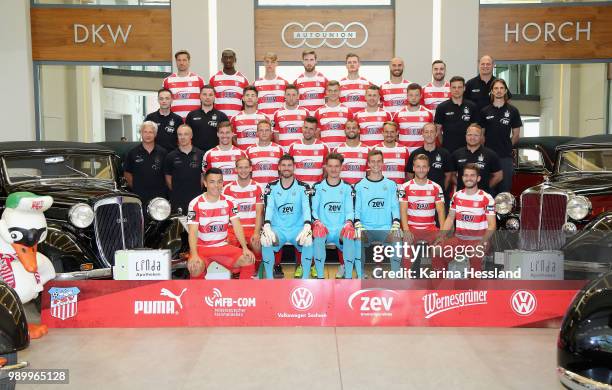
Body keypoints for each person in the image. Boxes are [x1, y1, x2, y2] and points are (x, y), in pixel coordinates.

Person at [186, 168, 256, 279]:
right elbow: (193, 231)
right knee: (195, 267)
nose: (216, 185)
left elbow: (237, 225)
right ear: (205, 183)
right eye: (212, 182)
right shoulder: (195, 203)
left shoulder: (230, 201)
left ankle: (243, 294)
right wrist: (194, 254)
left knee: (248, 259)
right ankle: (199, 296)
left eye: (219, 182)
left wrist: (245, 248)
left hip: (222, 246)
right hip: (202, 248)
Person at [260, 155, 314, 279]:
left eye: (289, 165)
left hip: (298, 228)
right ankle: (269, 278)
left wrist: (307, 225)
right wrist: (267, 225)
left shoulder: (304, 187)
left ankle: (305, 278)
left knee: (308, 240)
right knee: (266, 239)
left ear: (294, 167)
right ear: (279, 167)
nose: (286, 168)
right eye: (283, 165)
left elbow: (306, 207)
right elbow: (269, 207)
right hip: (279, 228)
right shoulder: (271, 187)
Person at [437, 163, 496, 273]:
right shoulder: (457, 196)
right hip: (459, 239)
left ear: (478, 178)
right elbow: (450, 218)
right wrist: (442, 236)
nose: (469, 178)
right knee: (437, 250)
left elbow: (492, 225)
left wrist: (482, 242)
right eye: (466, 175)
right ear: (462, 177)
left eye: (472, 175)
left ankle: (472, 289)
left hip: (478, 240)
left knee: (474, 254)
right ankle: (440, 286)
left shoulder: (486, 198)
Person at [354, 150, 402, 276]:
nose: (376, 164)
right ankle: (361, 275)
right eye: (373, 161)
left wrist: (396, 224)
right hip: (366, 227)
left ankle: (395, 275)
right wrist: (359, 226)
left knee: (397, 237)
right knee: (357, 237)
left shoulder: (391, 184)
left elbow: (395, 207)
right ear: (368, 164)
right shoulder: (359, 185)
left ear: (383, 163)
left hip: (385, 228)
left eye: (378, 161)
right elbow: (356, 210)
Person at [311, 153, 356, 279]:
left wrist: (348, 223)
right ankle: (320, 276)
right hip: (324, 228)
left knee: (349, 233)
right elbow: (313, 210)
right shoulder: (318, 187)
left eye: (336, 166)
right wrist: (318, 222)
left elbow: (349, 210)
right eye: (330, 166)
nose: (333, 169)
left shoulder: (347, 187)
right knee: (318, 233)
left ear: (341, 167)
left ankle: (348, 275)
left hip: (340, 229)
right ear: (326, 167)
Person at [222, 156, 264, 278]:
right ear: (236, 169)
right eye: (240, 167)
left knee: (256, 242)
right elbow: (225, 214)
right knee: (227, 243)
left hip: (251, 227)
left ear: (251, 169)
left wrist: (256, 232)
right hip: (233, 228)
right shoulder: (227, 188)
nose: (243, 170)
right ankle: (234, 271)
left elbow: (259, 213)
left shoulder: (258, 187)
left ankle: (255, 271)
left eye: (246, 167)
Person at [478, 78, 522, 194]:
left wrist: (507, 146)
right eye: (496, 88)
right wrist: (486, 151)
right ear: (492, 91)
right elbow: (481, 136)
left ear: (505, 91)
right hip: (488, 157)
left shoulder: (513, 111)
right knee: (488, 190)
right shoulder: (484, 111)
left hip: (505, 157)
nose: (499, 91)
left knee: (504, 191)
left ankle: (503, 213)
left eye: (501, 88)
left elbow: (516, 135)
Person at [399, 154, 446, 247]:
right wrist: (406, 230)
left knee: (441, 249)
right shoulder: (405, 187)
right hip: (411, 228)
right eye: (418, 167)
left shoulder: (436, 187)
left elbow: (441, 211)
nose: (421, 170)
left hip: (431, 229)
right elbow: (403, 210)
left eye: (424, 167)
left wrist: (442, 233)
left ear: (428, 168)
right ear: (413, 168)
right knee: (406, 257)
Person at [124, 121, 168, 209]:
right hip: (139, 197)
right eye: (145, 132)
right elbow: (127, 173)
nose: (148, 135)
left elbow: (167, 174)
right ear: (141, 133)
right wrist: (136, 187)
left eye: (151, 132)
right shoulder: (132, 153)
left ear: (155, 134)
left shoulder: (163, 153)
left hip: (159, 197)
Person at [164, 124, 205, 214]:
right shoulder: (170, 156)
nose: (182, 137)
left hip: (196, 199)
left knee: (196, 226)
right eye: (180, 134)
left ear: (191, 136)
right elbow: (168, 178)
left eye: (186, 134)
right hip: (177, 201)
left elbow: (203, 176)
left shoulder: (201, 154)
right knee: (180, 227)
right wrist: (178, 191)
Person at [451, 123, 502, 195]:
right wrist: (463, 185)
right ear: (465, 136)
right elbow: (451, 175)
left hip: (483, 197)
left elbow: (499, 176)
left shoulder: (491, 154)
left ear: (481, 137)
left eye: (476, 135)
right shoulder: (456, 154)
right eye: (469, 135)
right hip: (462, 196)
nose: (472, 137)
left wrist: (485, 188)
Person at [406, 122, 453, 198]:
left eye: (432, 132)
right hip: (418, 196)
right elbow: (410, 175)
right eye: (426, 132)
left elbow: (448, 176)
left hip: (438, 196)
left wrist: (441, 192)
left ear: (436, 134)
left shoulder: (445, 154)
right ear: (422, 134)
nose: (429, 135)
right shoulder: (415, 154)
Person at [434, 76, 479, 153]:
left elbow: (475, 130)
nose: (456, 90)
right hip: (448, 150)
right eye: (454, 87)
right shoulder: (442, 107)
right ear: (450, 89)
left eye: (459, 87)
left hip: (468, 150)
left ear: (464, 88)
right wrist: (443, 145)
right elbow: (438, 131)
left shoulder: (472, 106)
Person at [185, 85, 229, 153]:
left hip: (215, 153)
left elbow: (227, 137)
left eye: (210, 95)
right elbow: (186, 136)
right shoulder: (191, 115)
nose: (207, 97)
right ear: (200, 96)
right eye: (204, 94)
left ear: (214, 97)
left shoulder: (222, 116)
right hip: (195, 154)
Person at [162, 50, 205, 119]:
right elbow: (164, 102)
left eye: (184, 60)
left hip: (195, 120)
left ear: (189, 62)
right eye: (179, 60)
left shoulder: (198, 80)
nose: (181, 63)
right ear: (176, 62)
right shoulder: (167, 81)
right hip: (175, 120)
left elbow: (204, 101)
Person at [288, 116, 329, 187]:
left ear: (316, 130)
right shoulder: (293, 147)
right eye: (306, 127)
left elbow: (326, 170)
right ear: (302, 128)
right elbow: (289, 169)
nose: (307, 131)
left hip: (317, 189)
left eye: (311, 129)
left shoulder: (324, 147)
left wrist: (320, 185)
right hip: (297, 189)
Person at [202, 121, 246, 186]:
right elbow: (205, 176)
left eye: (227, 132)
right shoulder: (208, 154)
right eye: (222, 133)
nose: (224, 135)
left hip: (236, 194)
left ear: (232, 134)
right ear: (217, 134)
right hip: (217, 194)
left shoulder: (241, 154)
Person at [394, 83, 434, 153]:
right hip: (404, 153)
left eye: (416, 95)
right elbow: (394, 134)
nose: (414, 98)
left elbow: (432, 135)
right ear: (407, 96)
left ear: (421, 96)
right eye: (411, 95)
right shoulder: (398, 114)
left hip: (423, 154)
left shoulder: (428, 114)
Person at [209, 49, 249, 118]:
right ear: (222, 60)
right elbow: (209, 100)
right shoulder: (214, 79)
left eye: (230, 57)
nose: (228, 60)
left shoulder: (243, 79)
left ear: (235, 60)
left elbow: (246, 102)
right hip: (219, 119)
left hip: (237, 119)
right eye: (225, 57)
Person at [246, 119, 284, 189]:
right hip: (256, 189)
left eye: (267, 130)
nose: (264, 133)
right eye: (261, 130)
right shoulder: (249, 150)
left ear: (271, 132)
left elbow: (283, 172)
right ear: (257, 133)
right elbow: (247, 173)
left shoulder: (279, 149)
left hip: (275, 189)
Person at [314, 80, 351, 149]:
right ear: (326, 92)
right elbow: (316, 134)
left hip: (342, 150)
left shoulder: (347, 111)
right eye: (330, 90)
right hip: (325, 151)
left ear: (339, 92)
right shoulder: (319, 112)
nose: (333, 93)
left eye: (335, 90)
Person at [273, 84, 308, 152]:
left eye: (293, 95)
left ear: (298, 96)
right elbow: (275, 134)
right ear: (285, 96)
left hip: (300, 151)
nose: (291, 98)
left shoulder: (305, 112)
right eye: (288, 95)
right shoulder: (277, 113)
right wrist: (281, 150)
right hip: (284, 153)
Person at [230, 85, 267, 150]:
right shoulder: (235, 118)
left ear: (257, 99)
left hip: (259, 155)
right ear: (243, 98)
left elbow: (268, 138)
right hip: (242, 157)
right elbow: (233, 138)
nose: (250, 97)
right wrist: (241, 151)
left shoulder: (264, 117)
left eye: (253, 95)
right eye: (247, 95)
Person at [373, 122, 409, 186]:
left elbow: (407, 173)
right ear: (382, 133)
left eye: (392, 132)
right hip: (380, 188)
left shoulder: (404, 150)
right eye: (386, 132)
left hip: (398, 189)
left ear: (397, 133)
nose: (389, 134)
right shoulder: (376, 149)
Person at [254, 52, 288, 121]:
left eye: (272, 62)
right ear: (264, 63)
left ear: (276, 64)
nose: (269, 64)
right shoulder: (256, 84)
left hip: (279, 121)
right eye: (267, 62)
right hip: (262, 122)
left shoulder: (284, 83)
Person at [335, 119, 370, 185]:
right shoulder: (337, 150)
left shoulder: (367, 150)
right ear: (344, 131)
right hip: (342, 190)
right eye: (348, 128)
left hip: (361, 189)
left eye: (354, 128)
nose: (351, 130)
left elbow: (369, 173)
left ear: (359, 130)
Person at [294, 49, 328, 114]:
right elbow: (295, 103)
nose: (309, 63)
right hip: (304, 119)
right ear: (302, 61)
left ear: (316, 61)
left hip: (319, 118)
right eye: (306, 60)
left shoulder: (324, 80)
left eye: (311, 60)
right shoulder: (297, 82)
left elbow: (328, 102)